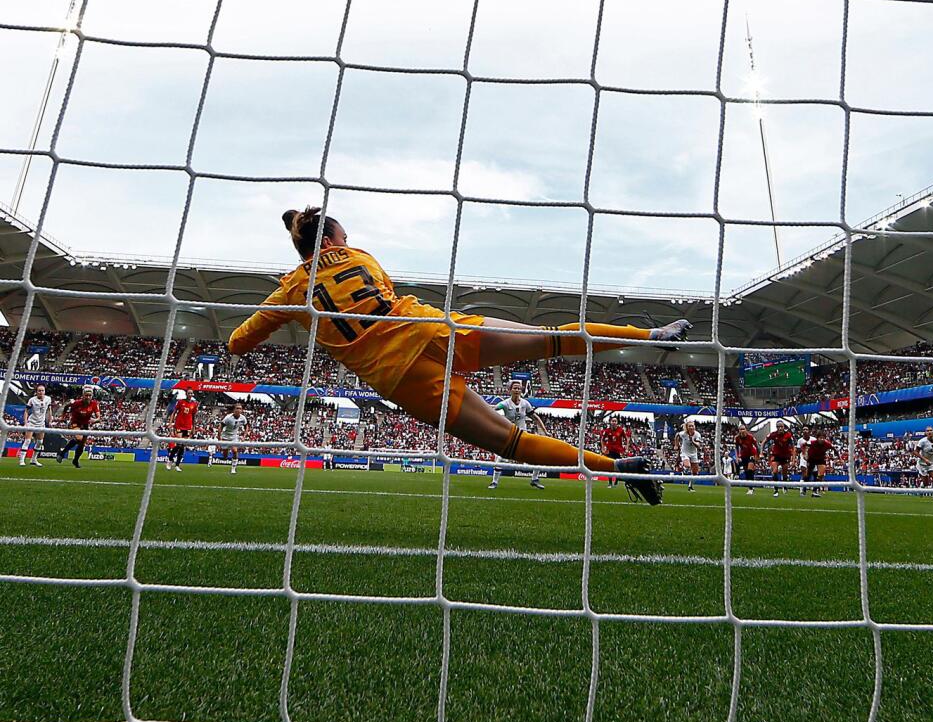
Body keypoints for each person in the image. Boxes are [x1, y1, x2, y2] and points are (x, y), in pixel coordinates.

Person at [227, 208, 676, 504]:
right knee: (548, 338)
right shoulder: (360, 256)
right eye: (342, 234)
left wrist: (286, 308)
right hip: (430, 329)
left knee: (510, 442)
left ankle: (618, 469)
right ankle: (650, 333)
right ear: (331, 240)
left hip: (401, 375)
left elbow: (238, 342)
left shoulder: (288, 292)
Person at [492, 381, 547, 490]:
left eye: (519, 388)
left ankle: (534, 479)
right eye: (515, 388)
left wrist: (544, 430)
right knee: (500, 460)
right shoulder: (505, 404)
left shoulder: (525, 404)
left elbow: (535, 417)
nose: (517, 390)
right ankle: (494, 482)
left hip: (522, 435)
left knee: (538, 456)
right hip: (510, 435)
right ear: (510, 390)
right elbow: (493, 409)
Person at [56, 386, 100, 468]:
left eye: (89, 396)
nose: (88, 397)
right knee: (79, 438)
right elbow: (66, 406)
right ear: (83, 395)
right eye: (86, 395)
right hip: (75, 423)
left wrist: (95, 420)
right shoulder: (76, 403)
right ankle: (62, 453)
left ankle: (75, 460)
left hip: (85, 425)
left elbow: (98, 417)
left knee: (82, 445)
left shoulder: (94, 404)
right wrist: (63, 416)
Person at [16, 384, 51, 467]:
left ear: (44, 391)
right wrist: (25, 423)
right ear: (36, 392)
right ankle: (22, 460)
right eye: (39, 390)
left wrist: (50, 420)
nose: (41, 392)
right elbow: (26, 411)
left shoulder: (48, 399)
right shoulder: (32, 400)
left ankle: (34, 459)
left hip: (41, 423)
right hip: (32, 422)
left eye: (42, 390)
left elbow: (49, 410)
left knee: (40, 442)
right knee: (27, 440)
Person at [166, 391, 199, 472]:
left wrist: (193, 427)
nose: (190, 395)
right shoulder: (181, 402)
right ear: (186, 394)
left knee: (182, 446)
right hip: (179, 425)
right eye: (189, 393)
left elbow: (194, 417)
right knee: (179, 444)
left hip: (188, 427)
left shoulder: (194, 404)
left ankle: (177, 465)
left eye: (191, 393)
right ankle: (170, 460)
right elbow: (174, 412)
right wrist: (170, 423)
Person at [803, 425, 833, 498]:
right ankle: (804, 489)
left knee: (821, 475)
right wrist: (805, 454)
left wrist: (840, 459)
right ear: (817, 438)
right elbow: (805, 446)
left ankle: (814, 491)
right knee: (808, 475)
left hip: (820, 459)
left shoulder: (827, 444)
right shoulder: (812, 442)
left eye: (823, 438)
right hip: (812, 458)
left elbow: (834, 449)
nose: (822, 439)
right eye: (820, 438)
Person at [766, 422, 795, 497]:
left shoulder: (788, 435)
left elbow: (793, 447)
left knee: (784, 472)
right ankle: (776, 489)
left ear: (783, 427)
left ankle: (784, 486)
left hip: (785, 456)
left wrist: (793, 459)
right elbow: (764, 441)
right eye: (778, 427)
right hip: (776, 455)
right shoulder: (773, 434)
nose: (780, 428)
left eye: (781, 426)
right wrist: (761, 451)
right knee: (775, 471)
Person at [601, 416, 629, 489]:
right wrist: (603, 448)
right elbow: (602, 439)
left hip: (618, 451)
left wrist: (626, 447)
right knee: (609, 467)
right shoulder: (607, 430)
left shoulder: (621, 430)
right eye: (612, 421)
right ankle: (610, 483)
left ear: (617, 422)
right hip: (610, 451)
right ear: (610, 422)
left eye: (615, 421)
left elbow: (626, 439)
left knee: (618, 467)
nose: (614, 422)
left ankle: (616, 481)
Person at [218, 401, 246, 475]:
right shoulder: (228, 418)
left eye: (240, 408)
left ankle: (233, 469)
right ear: (234, 410)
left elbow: (246, 426)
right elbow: (220, 427)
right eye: (237, 408)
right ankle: (224, 452)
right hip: (225, 437)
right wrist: (219, 439)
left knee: (235, 451)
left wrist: (244, 436)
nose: (239, 410)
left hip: (234, 437)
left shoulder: (243, 418)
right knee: (225, 456)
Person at [675, 419, 703, 492]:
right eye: (689, 426)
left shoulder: (697, 434)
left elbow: (698, 446)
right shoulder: (683, 434)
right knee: (687, 466)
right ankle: (682, 467)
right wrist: (676, 445)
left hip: (694, 454)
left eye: (692, 426)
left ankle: (690, 486)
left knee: (695, 473)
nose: (691, 427)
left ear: (694, 427)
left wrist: (693, 441)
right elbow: (677, 435)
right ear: (687, 427)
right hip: (685, 453)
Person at [916, 428, 933, 504]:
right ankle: (922, 486)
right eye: (927, 431)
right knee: (926, 483)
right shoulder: (922, 441)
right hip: (922, 464)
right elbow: (915, 452)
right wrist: (925, 460)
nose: (929, 432)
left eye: (931, 430)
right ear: (925, 433)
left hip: (932, 463)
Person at [735, 426, 761, 495]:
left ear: (746, 430)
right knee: (747, 472)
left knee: (750, 470)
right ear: (739, 431)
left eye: (743, 429)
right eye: (741, 429)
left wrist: (757, 456)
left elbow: (757, 446)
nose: (742, 431)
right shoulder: (737, 438)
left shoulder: (750, 437)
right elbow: (737, 448)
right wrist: (737, 457)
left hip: (752, 454)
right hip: (744, 456)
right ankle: (751, 485)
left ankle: (750, 488)